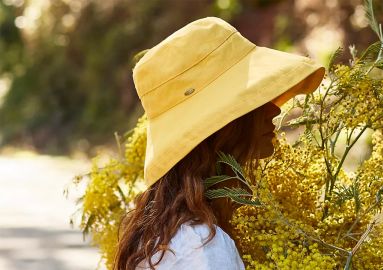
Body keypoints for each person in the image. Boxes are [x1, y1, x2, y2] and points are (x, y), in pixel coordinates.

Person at [113, 17, 325, 270]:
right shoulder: (202, 249)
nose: (274, 111)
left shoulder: (163, 235)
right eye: (255, 98)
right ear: (224, 125)